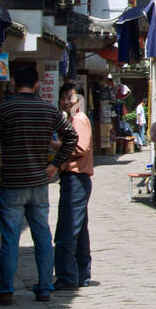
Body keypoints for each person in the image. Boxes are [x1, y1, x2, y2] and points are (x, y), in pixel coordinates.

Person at [0, 64, 78, 304]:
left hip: (13, 182)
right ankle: (45, 287)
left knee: (10, 238)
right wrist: (55, 164)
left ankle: (5, 290)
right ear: (36, 84)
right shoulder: (47, 109)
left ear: (14, 82)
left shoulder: (5, 109)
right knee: (43, 236)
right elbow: (71, 136)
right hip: (39, 183)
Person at [53, 83, 95, 289]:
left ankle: (67, 277)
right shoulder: (71, 119)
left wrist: (54, 145)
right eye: (64, 98)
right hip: (75, 179)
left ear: (80, 100)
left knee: (67, 229)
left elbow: (80, 147)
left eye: (71, 98)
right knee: (79, 230)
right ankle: (80, 274)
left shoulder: (79, 119)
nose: (66, 102)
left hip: (76, 178)